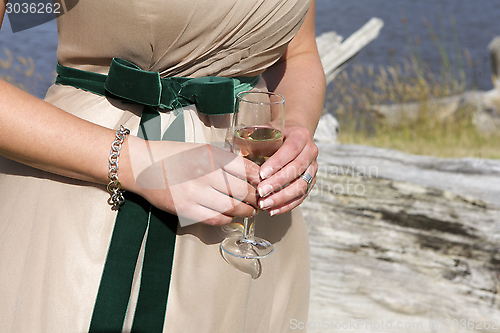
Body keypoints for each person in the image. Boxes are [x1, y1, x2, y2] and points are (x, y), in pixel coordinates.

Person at [0, 0, 326, 331]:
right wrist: (138, 164)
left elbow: (297, 55)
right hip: (88, 206)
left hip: (251, 232)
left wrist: (296, 126)